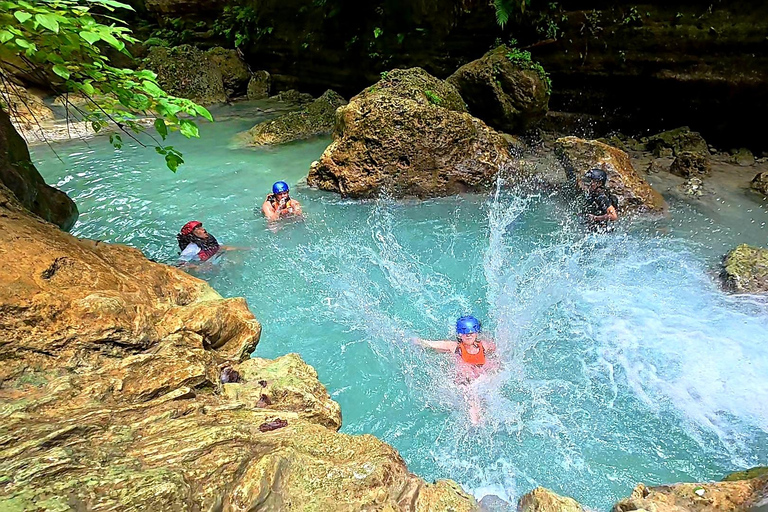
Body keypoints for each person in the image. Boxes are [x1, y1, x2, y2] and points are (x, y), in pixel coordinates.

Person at [414, 315, 497, 425]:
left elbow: (496, 349)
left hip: (480, 380)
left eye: (471, 332)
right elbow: (432, 344)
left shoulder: (483, 345)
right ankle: (475, 424)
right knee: (471, 400)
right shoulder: (454, 347)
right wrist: (416, 341)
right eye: (465, 332)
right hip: (464, 383)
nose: (468, 335)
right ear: (459, 334)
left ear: (476, 332)